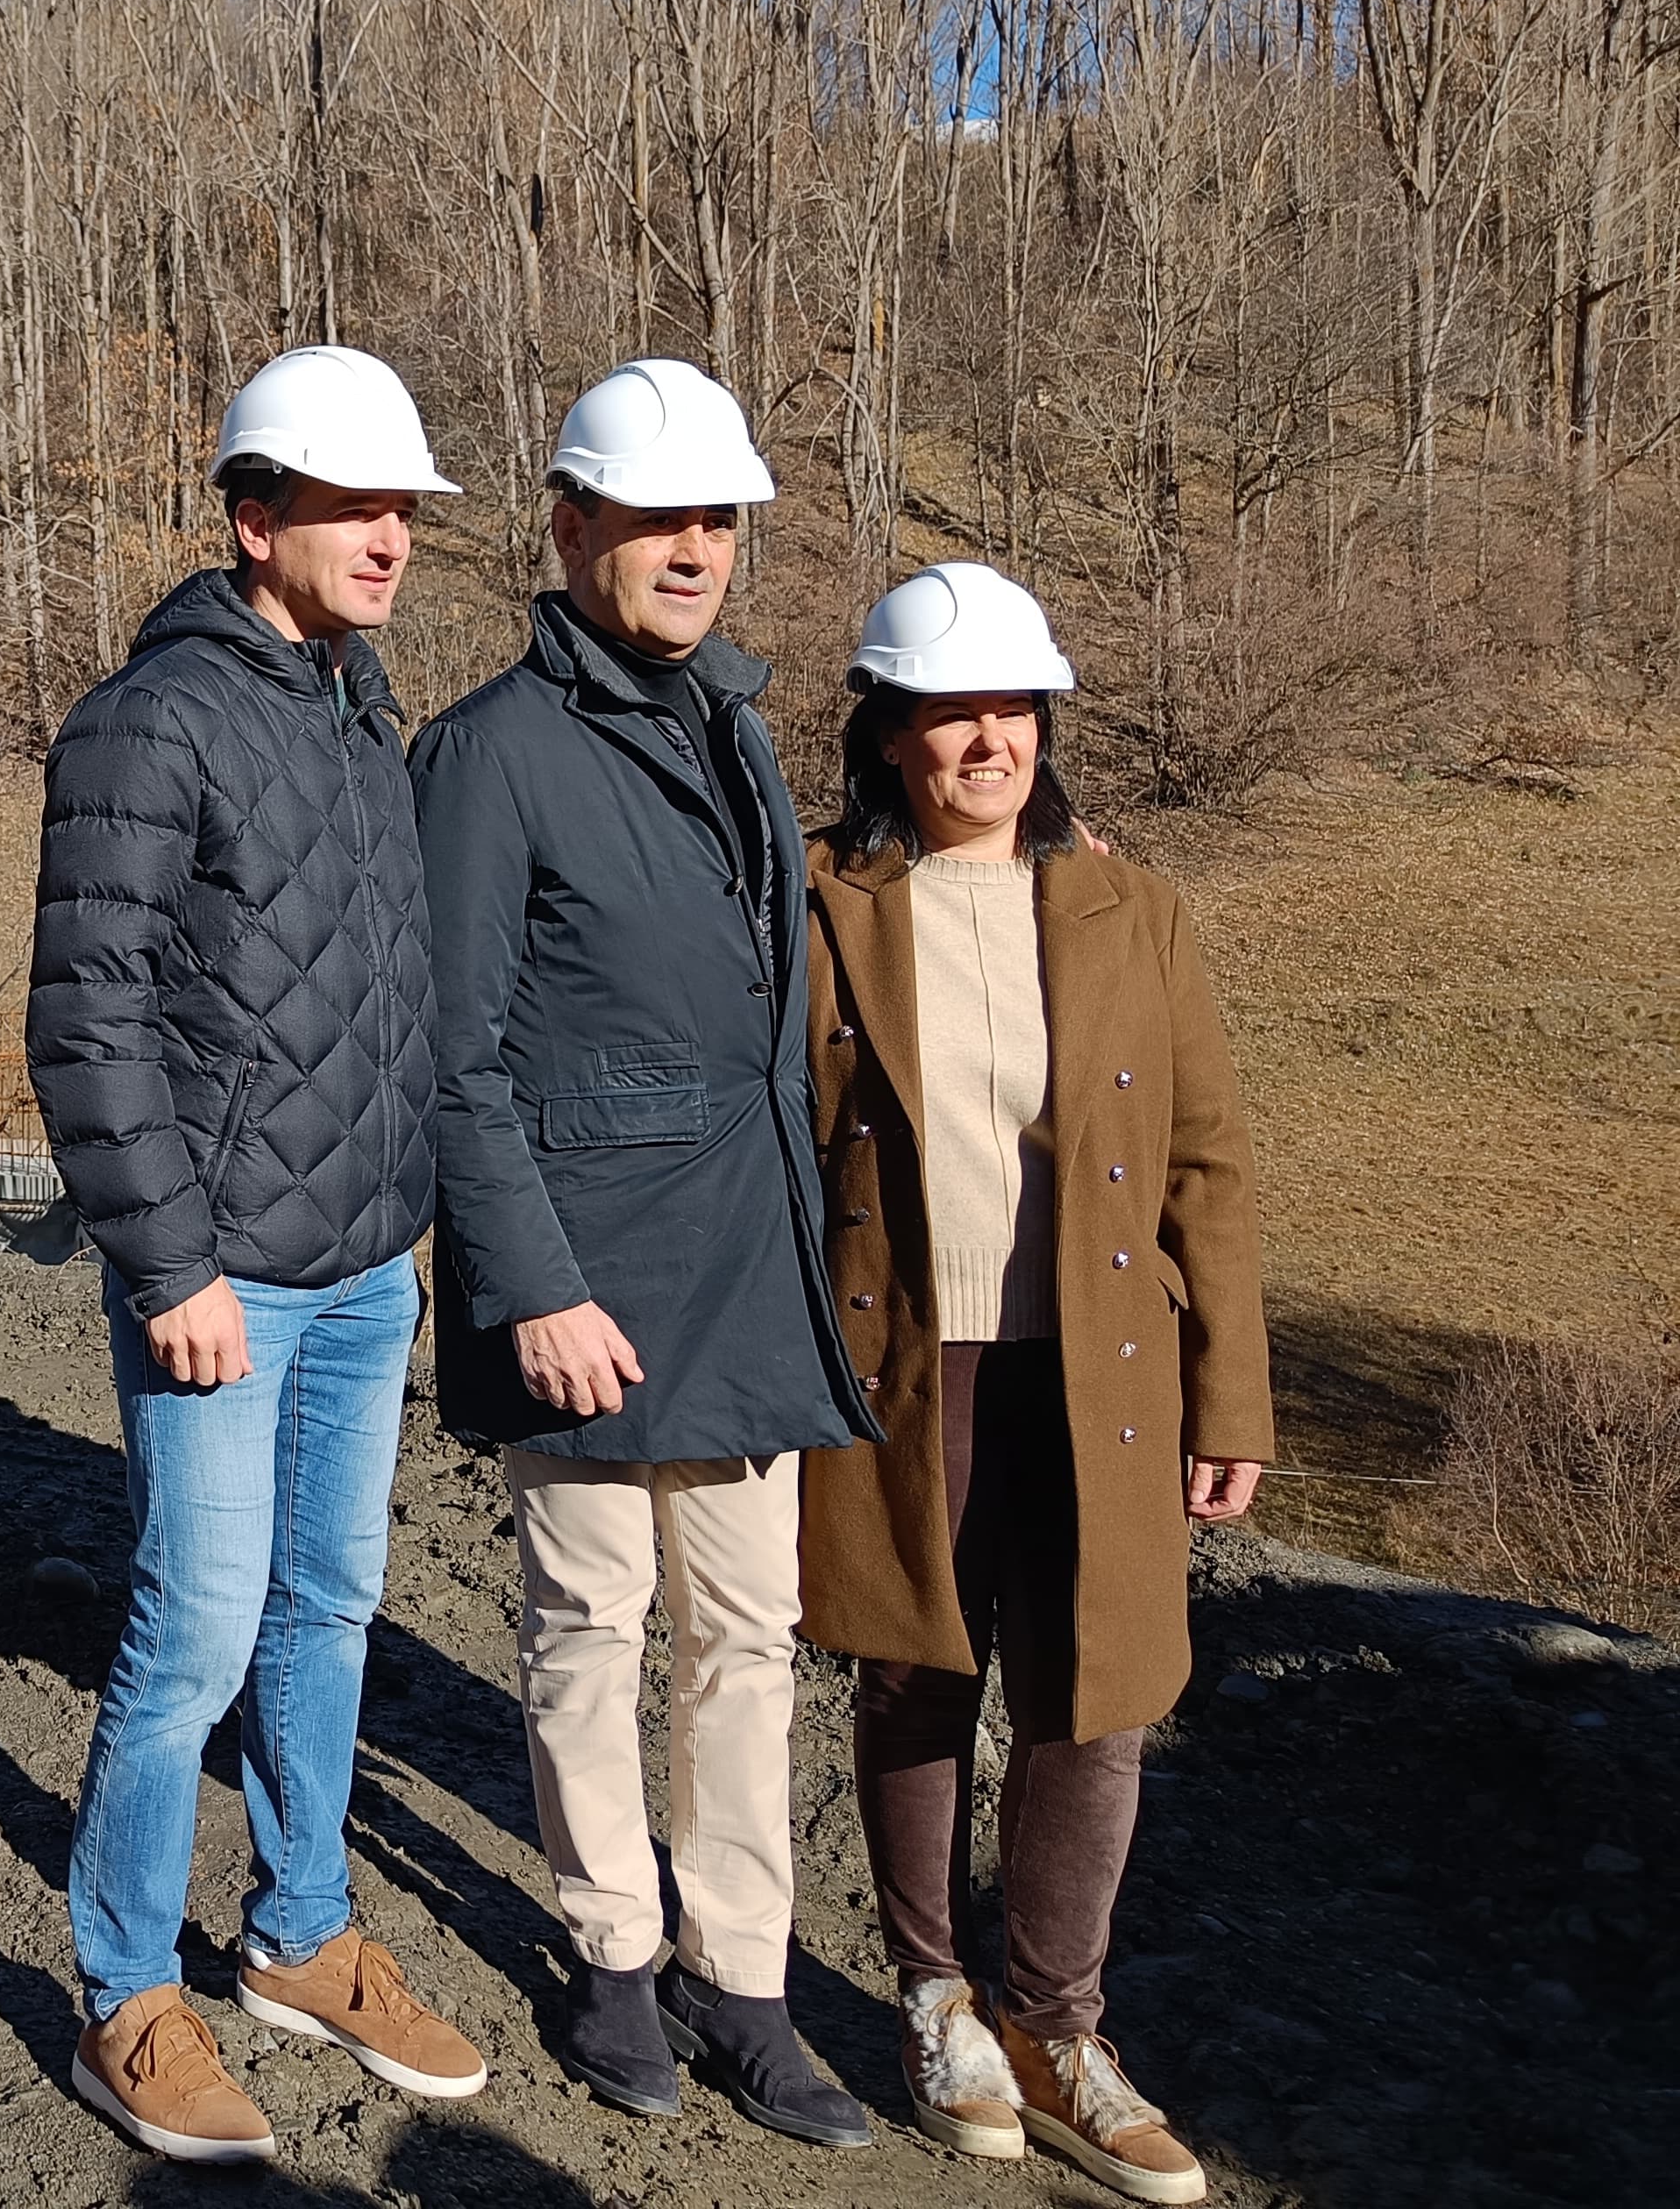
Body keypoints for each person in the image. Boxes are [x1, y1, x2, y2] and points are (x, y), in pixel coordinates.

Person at [28, 344, 492, 2168]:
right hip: (222, 1281)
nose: (389, 534)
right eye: (353, 504)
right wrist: (169, 1269)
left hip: (366, 1266)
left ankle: (297, 1937)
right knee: (189, 1640)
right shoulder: (150, 723)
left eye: (403, 509)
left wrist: (415, 1228)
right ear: (254, 516)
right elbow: (87, 1021)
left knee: (327, 1611)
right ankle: (125, 1993)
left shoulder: (355, 706)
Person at [408, 360, 879, 2148]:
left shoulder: (738, 732)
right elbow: (451, 1055)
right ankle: (611, 1957)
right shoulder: (484, 756)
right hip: (587, 1290)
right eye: (657, 517)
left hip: (740, 1272)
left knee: (748, 1642)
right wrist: (531, 1283)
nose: (693, 548)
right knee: (590, 1629)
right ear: (570, 525)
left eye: (716, 521)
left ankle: (739, 1981)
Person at [797, 561, 1269, 2207]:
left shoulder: (1134, 910)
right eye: (945, 713)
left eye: (1008, 709)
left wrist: (1234, 1400)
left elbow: (1207, 1162)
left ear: (1043, 723)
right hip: (910, 1358)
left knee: (1098, 1695)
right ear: (893, 732)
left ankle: (1062, 2031)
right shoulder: (825, 907)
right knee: (917, 1671)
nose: (982, 740)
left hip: (1105, 1371)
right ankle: (937, 2001)